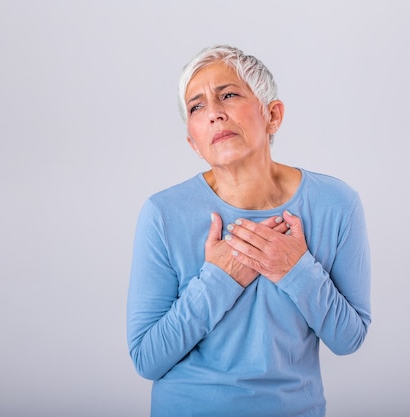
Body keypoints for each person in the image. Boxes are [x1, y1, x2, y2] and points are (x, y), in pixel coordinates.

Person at [127, 45, 371, 417]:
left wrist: (296, 268)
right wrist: (219, 278)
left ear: (272, 115)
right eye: (197, 106)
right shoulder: (162, 213)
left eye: (228, 94)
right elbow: (147, 358)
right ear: (193, 142)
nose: (214, 113)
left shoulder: (336, 204)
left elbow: (349, 338)